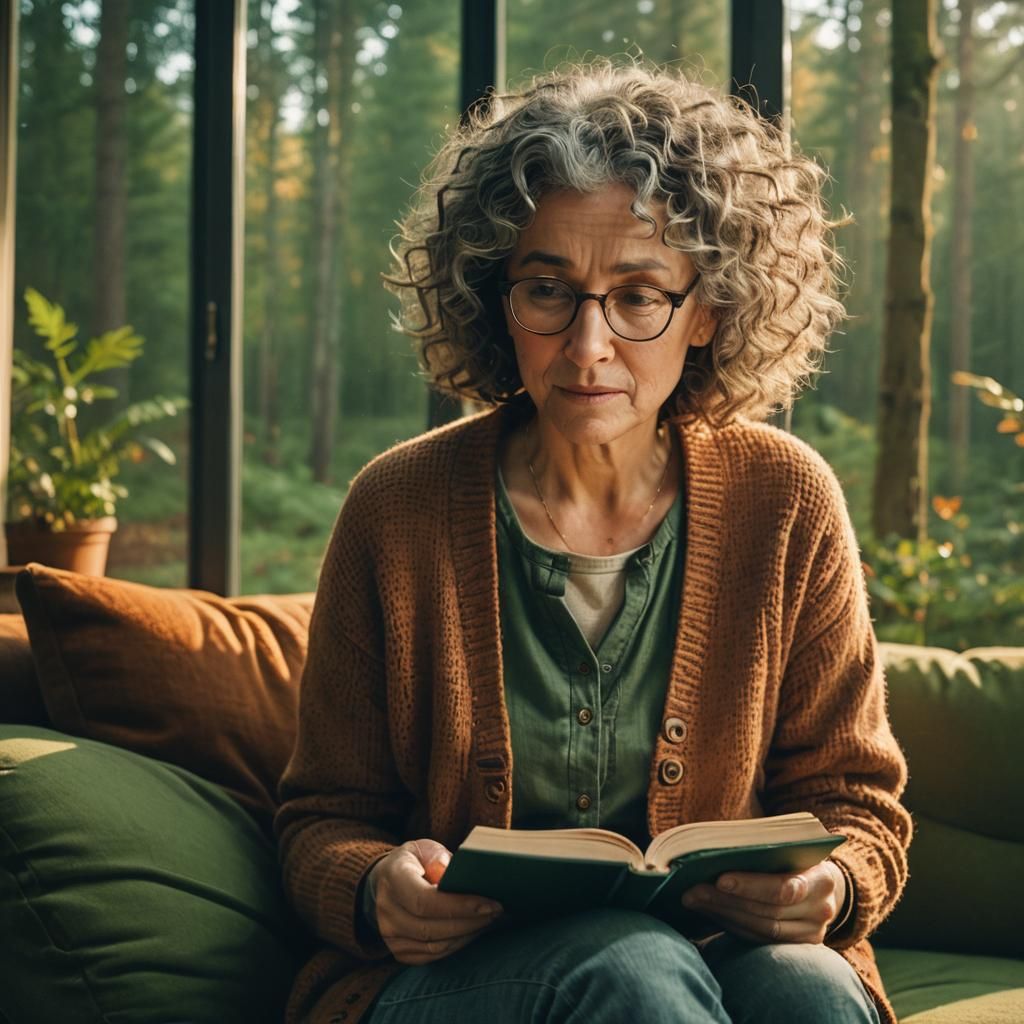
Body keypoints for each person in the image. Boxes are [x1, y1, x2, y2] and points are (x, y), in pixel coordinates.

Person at [275, 60, 912, 1024]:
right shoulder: (395, 508)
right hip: (461, 983)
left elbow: (859, 802)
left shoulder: (788, 500)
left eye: (639, 294)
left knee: (809, 989)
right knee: (633, 967)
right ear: (496, 296)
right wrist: (373, 887)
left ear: (708, 310)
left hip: (720, 960)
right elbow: (321, 820)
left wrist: (837, 886)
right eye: (549, 289)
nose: (587, 346)